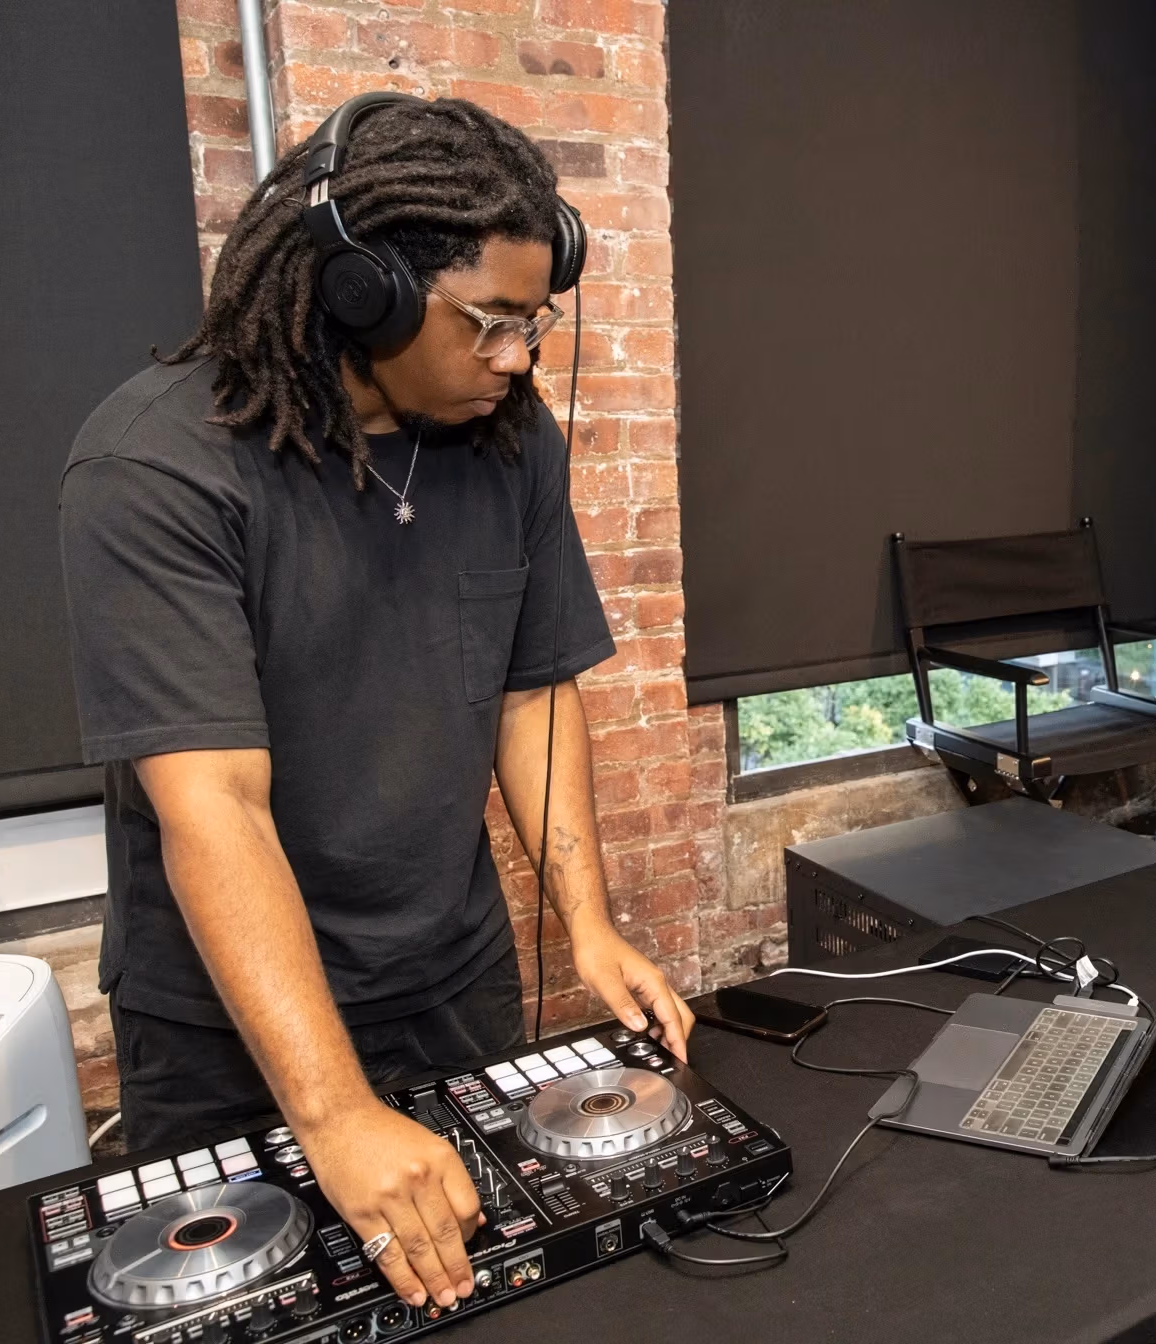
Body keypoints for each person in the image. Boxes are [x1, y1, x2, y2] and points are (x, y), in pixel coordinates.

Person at [58, 96, 693, 1314]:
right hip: (228, 1029)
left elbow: (533, 694)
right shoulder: (153, 469)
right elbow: (216, 810)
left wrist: (591, 923)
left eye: (533, 323)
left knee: (480, 1290)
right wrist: (335, 1109)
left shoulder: (511, 441)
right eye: (490, 325)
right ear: (365, 294)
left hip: (451, 979)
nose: (518, 358)